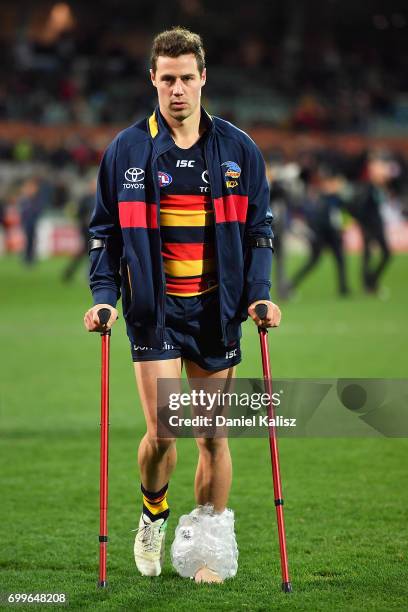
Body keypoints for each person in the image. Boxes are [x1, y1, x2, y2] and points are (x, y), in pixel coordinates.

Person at [83, 27, 281, 584]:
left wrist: (259, 294)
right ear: (153, 79)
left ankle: (208, 553)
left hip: (216, 312)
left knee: (213, 435)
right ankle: (152, 515)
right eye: (166, 79)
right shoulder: (125, 151)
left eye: (186, 79)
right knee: (165, 431)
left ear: (202, 80)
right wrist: (104, 298)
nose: (177, 90)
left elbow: (259, 230)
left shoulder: (240, 151)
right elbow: (104, 234)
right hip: (155, 312)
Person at [289, 165, 349, 296]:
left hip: (333, 234)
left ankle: (343, 288)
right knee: (314, 261)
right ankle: (292, 283)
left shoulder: (335, 199)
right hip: (323, 235)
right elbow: (319, 220)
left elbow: (343, 215)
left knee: (340, 260)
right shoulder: (323, 200)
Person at [349, 151, 392, 293]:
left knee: (383, 254)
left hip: (377, 224)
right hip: (370, 225)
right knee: (370, 254)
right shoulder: (367, 189)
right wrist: (363, 225)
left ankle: (371, 281)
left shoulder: (378, 188)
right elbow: (359, 208)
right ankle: (368, 284)